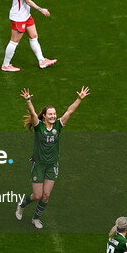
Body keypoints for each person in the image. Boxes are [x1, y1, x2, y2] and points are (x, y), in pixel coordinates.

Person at [14, 86, 88, 228]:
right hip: (39, 165)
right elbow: (32, 113)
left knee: (46, 195)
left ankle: (35, 218)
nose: (53, 116)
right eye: (50, 114)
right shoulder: (38, 126)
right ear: (44, 116)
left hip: (52, 165)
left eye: (54, 114)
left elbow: (70, 111)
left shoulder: (58, 126)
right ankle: (21, 205)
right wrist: (28, 100)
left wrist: (79, 99)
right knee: (37, 195)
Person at [1, 0, 57, 72]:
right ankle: (5, 65)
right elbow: (27, 1)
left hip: (26, 15)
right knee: (14, 41)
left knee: (34, 35)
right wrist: (41, 9)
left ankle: (42, 60)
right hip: (19, 17)